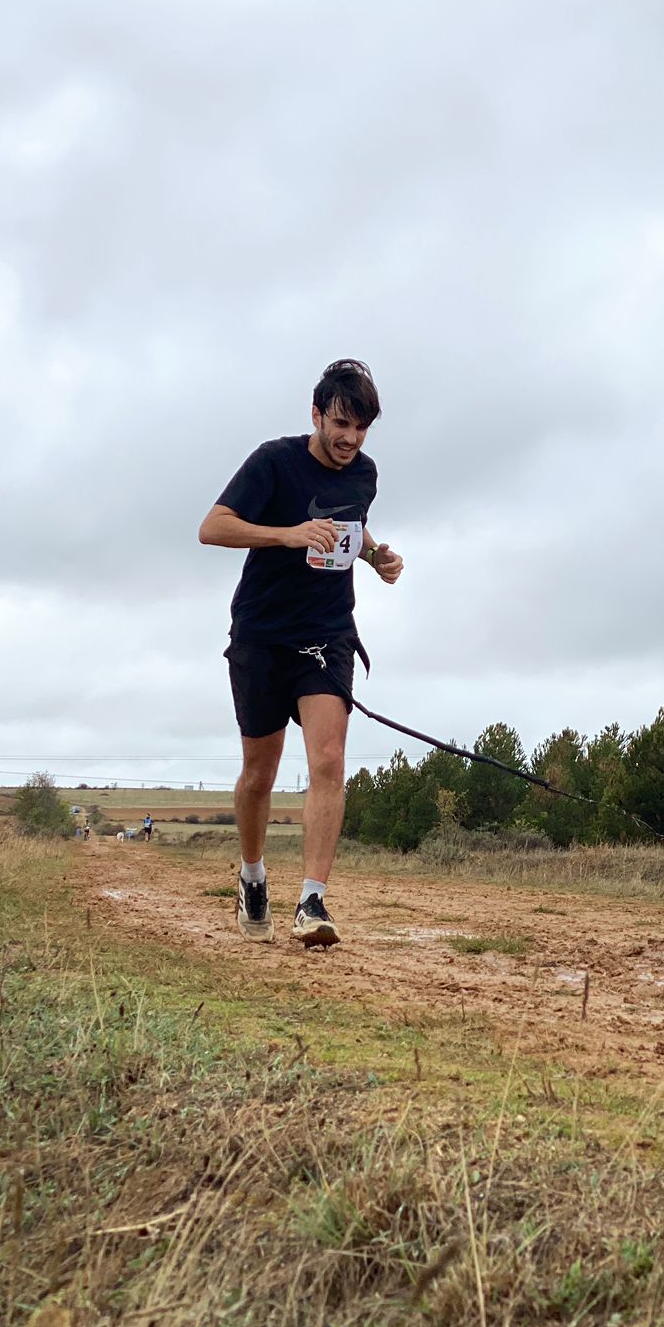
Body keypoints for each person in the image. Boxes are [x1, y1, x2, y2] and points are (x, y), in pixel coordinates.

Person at [198, 359, 403, 946]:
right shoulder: (273, 461)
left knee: (329, 760)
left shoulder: (364, 474)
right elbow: (212, 527)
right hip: (262, 634)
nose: (350, 439)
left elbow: (352, 527)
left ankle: (312, 902)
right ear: (316, 415)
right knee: (259, 775)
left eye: (362, 428)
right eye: (341, 423)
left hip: (328, 633)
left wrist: (376, 555)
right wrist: (287, 534)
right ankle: (253, 877)